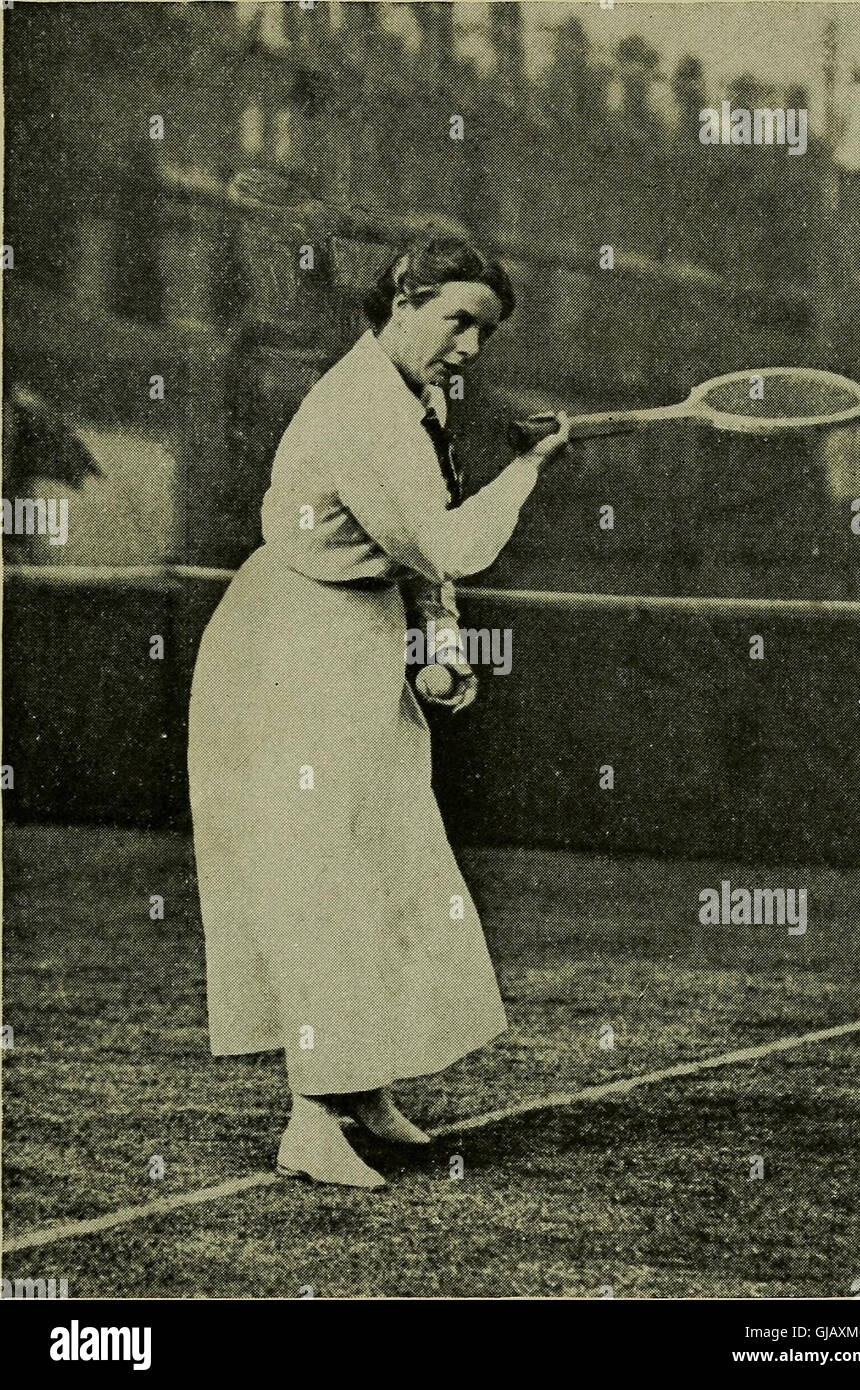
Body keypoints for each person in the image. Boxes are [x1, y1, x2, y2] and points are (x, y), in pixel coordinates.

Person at [188, 237, 572, 1189]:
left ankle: (362, 1093)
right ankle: (309, 1123)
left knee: (389, 862)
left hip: (354, 641)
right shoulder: (365, 410)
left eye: (484, 331)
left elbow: (418, 560)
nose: (471, 348)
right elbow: (448, 540)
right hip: (289, 652)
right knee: (316, 874)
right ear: (404, 298)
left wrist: (440, 645)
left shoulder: (417, 399)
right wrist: (527, 471)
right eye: (458, 320)